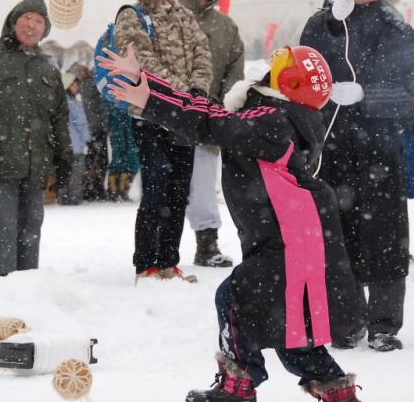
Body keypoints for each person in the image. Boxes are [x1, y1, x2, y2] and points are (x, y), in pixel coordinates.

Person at [99, 44, 361, 401]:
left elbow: (207, 123)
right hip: (298, 235)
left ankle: (238, 386)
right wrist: (147, 82)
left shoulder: (270, 120)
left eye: (275, 65)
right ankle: (337, 393)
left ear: (284, 80)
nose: (265, 66)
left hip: (288, 239)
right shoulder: (275, 116)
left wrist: (149, 100)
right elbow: (209, 112)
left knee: (236, 297)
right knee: (289, 324)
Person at [300, 0, 414, 352]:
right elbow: (297, 78)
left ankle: (385, 323)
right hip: (330, 147)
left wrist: (365, 95)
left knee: (386, 236)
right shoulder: (320, 24)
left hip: (380, 150)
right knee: (337, 237)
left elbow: (407, 92)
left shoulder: (398, 29)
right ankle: (345, 320)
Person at [0, 0, 72, 277]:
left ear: (45, 30)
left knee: (32, 222)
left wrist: (65, 157)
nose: (31, 25)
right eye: (26, 18)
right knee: (4, 222)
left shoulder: (49, 68)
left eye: (38, 22)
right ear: (13, 21)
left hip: (37, 159)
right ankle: (1, 282)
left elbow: (59, 117)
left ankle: (27, 282)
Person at [115, 0, 212, 281]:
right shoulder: (132, 15)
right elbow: (139, 59)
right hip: (151, 113)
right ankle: (147, 264)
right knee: (156, 188)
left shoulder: (185, 15)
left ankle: (169, 261)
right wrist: (180, 93)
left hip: (184, 118)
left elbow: (203, 53)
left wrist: (198, 91)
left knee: (179, 191)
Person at [178, 0, 245, 268]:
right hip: (170, 114)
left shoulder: (225, 26)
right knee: (167, 185)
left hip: (208, 116)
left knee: (204, 184)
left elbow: (234, 69)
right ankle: (159, 251)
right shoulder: (170, 18)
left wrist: (220, 106)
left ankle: (207, 243)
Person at [67, 62, 109, 202]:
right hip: (90, 134)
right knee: (89, 165)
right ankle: (87, 192)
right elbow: (82, 121)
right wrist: (88, 137)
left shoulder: (71, 99)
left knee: (82, 166)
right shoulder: (88, 89)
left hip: (84, 136)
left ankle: (85, 191)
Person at [60, 71, 90, 206]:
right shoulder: (73, 103)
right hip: (76, 145)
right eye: (75, 84)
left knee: (65, 172)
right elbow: (81, 124)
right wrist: (87, 140)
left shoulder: (60, 102)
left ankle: (64, 197)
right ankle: (74, 198)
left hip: (64, 144)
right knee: (77, 173)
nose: (77, 87)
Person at [106, 103, 139, 202]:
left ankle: (123, 190)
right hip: (118, 114)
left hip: (130, 115)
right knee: (118, 155)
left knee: (133, 159)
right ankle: (114, 191)